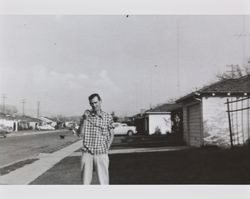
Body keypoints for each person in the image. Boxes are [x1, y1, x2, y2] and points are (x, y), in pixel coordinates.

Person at [76, 93, 114, 185]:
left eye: (96, 102)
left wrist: (106, 148)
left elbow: (112, 135)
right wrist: (84, 120)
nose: (94, 105)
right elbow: (79, 134)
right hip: (87, 153)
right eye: (91, 103)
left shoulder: (108, 117)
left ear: (100, 101)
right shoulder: (86, 115)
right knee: (85, 182)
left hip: (101, 153)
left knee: (104, 182)